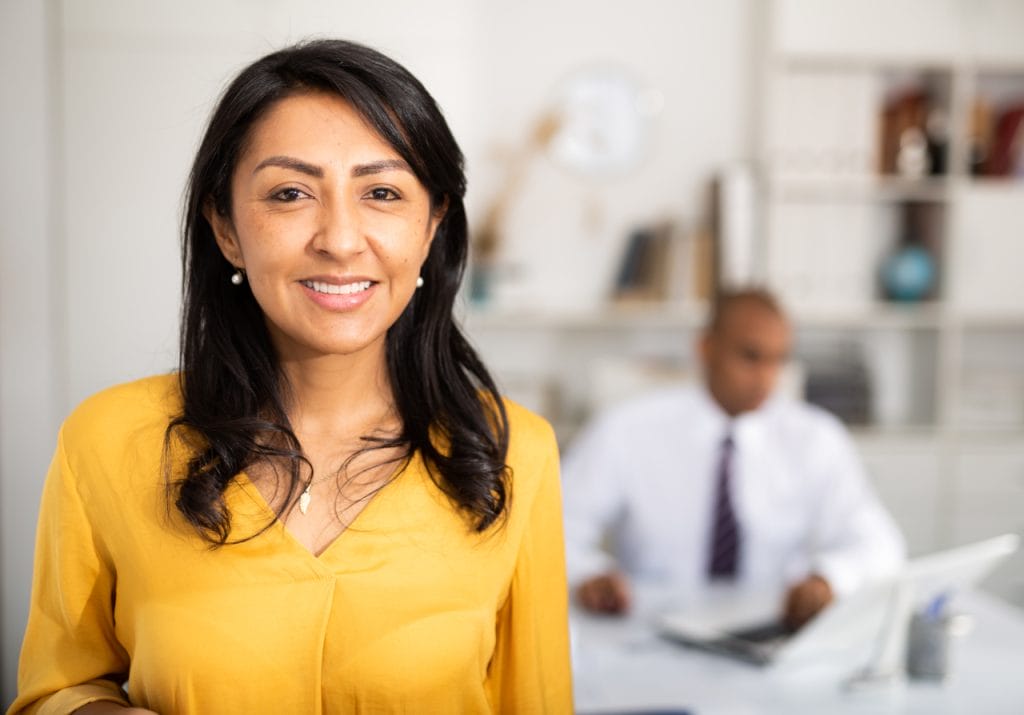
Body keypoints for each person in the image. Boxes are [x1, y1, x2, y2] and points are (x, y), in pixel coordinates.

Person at [10, 39, 572, 714]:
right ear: (224, 226)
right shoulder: (105, 440)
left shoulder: (512, 453)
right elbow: (58, 684)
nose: (339, 238)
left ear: (431, 225)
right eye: (290, 193)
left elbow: (535, 701)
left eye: (383, 192)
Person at [562, 288, 905, 628]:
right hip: (647, 628)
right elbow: (555, 527)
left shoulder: (815, 439)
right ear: (706, 348)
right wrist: (588, 574)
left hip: (771, 628)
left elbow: (881, 546)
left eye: (778, 359)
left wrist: (829, 579)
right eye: (751, 357)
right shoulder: (628, 429)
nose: (766, 378)